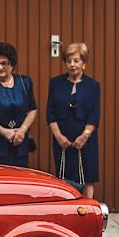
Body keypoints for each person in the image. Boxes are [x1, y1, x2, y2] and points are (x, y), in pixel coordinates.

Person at [47, 42, 100, 198]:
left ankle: (87, 215)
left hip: (86, 140)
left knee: (88, 179)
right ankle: (68, 213)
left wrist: (84, 136)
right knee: (63, 178)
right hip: (62, 140)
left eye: (76, 60)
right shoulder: (55, 83)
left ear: (84, 63)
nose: (72, 64)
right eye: (69, 61)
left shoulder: (93, 85)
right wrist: (58, 137)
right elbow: (50, 112)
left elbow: (95, 114)